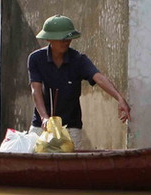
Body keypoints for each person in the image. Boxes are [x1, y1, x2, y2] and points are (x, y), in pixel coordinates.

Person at [28, 14, 131, 150]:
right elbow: (36, 90)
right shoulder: (36, 59)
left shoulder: (78, 60)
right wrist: (44, 118)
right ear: (49, 39)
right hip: (42, 125)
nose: (66, 42)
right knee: (35, 160)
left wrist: (119, 98)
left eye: (69, 38)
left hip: (70, 126)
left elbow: (99, 77)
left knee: (70, 166)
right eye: (62, 39)